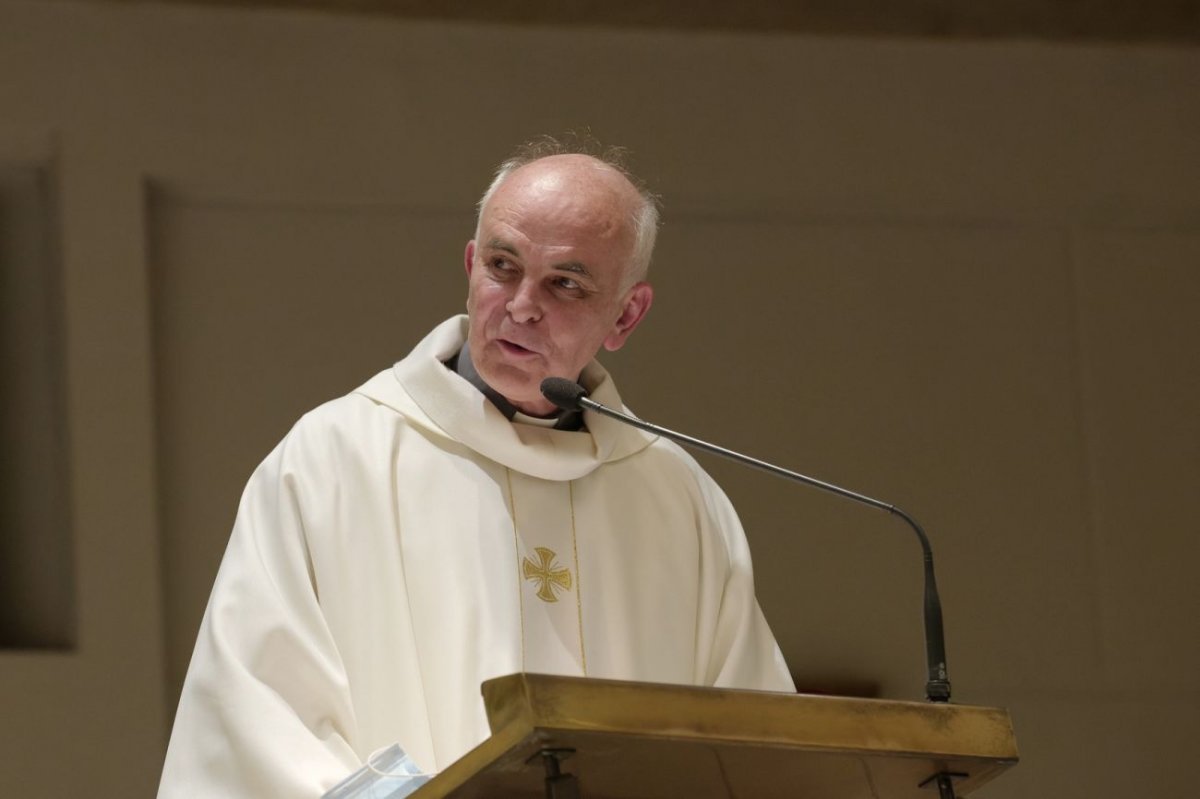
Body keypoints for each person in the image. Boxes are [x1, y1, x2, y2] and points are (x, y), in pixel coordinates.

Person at [158, 138, 794, 797]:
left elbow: (755, 748)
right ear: (470, 265)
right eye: (502, 265)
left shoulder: (676, 499)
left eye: (565, 283)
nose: (521, 304)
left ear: (626, 314)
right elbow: (254, 722)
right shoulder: (332, 463)